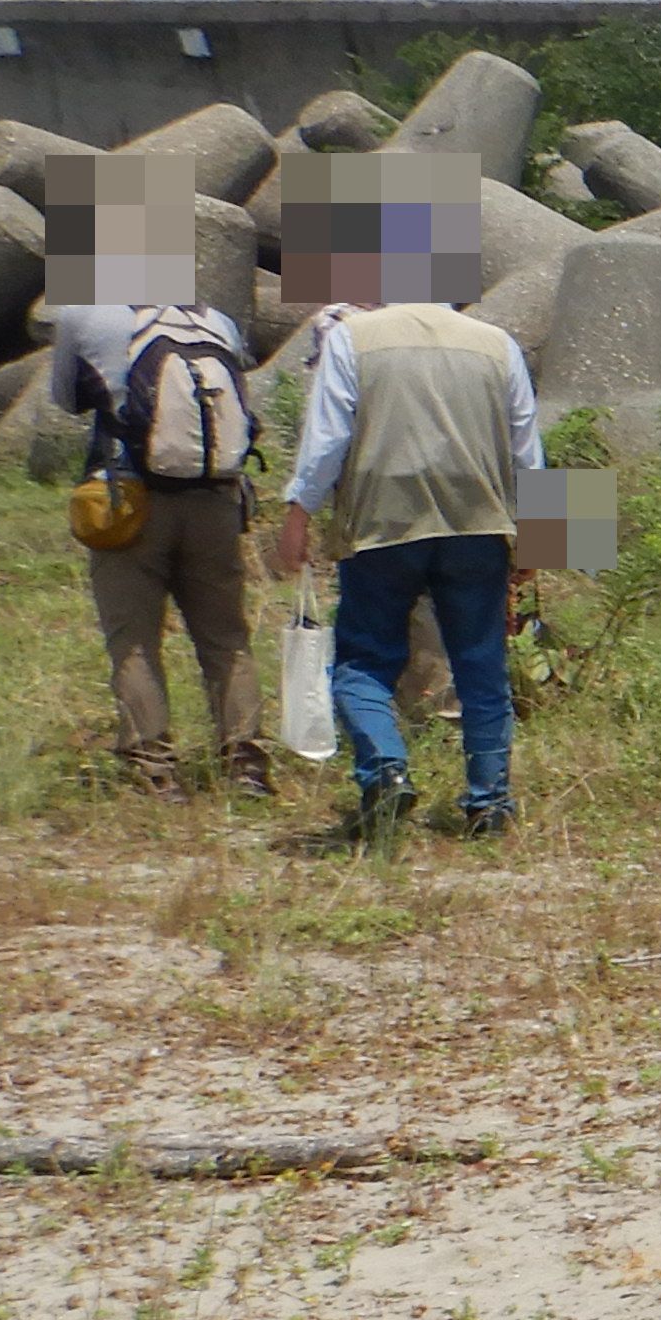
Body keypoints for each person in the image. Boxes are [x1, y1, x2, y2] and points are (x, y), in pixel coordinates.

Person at [262, 152, 545, 851]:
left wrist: (296, 515)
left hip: (382, 526)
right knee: (481, 666)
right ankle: (490, 805)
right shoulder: (498, 343)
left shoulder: (350, 338)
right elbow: (528, 450)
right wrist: (547, 542)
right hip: (480, 523)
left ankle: (385, 774)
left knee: (361, 661)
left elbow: (326, 442)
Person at [44, 159, 267, 801]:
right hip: (217, 501)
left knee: (134, 640)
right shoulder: (213, 320)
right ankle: (246, 765)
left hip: (128, 500)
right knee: (225, 637)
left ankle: (155, 772)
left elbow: (65, 401)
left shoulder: (87, 313)